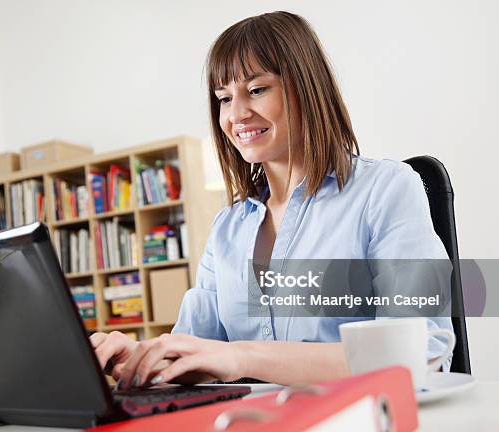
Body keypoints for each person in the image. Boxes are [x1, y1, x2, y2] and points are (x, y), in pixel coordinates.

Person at [91, 11, 453, 390]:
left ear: (306, 85)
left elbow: (417, 351)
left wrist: (243, 356)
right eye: (224, 98)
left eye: (257, 89)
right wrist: (142, 359)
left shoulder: (386, 189)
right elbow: (195, 350)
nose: (237, 114)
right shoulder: (228, 227)